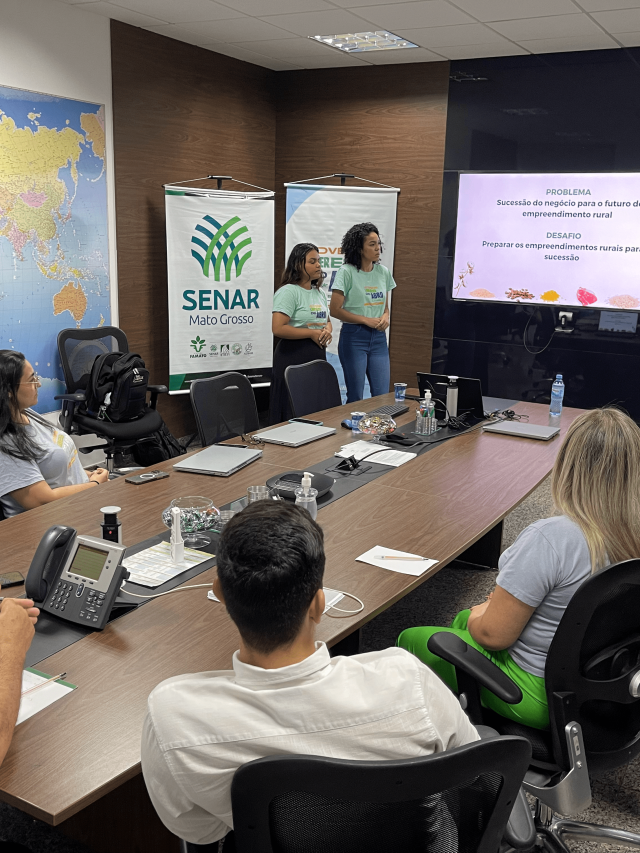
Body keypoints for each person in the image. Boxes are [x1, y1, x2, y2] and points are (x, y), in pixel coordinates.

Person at [141, 501, 478, 847]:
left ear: (220, 595)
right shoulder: (408, 680)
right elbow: (475, 772)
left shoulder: (173, 715)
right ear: (319, 604)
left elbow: (199, 832)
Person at [398, 407, 640, 731]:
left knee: (414, 638)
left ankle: (448, 737)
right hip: (609, 682)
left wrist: (482, 614)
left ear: (568, 465)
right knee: (464, 620)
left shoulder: (551, 538)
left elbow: (493, 636)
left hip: (542, 694)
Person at [0, 351, 108, 517]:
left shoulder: (26, 413)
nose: (38, 384)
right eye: (31, 380)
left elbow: (54, 470)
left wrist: (88, 475)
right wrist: (94, 484)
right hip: (51, 521)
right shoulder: (6, 443)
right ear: (8, 390)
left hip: (79, 504)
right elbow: (41, 501)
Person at [329, 223, 395, 404]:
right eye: (372, 244)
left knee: (382, 396)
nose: (378, 248)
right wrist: (365, 320)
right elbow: (335, 309)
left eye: (378, 243)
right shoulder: (346, 272)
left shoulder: (383, 272)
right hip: (354, 337)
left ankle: (378, 424)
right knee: (356, 396)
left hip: (379, 338)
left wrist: (386, 317)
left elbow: (385, 307)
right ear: (359, 248)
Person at [269, 243, 332, 424]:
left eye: (319, 261)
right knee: (292, 411)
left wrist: (327, 331)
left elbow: (327, 321)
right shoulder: (288, 292)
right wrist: (311, 334)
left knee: (314, 410)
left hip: (317, 356)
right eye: (312, 262)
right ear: (298, 265)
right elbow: (278, 328)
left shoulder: (319, 293)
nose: (318, 265)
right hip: (293, 356)